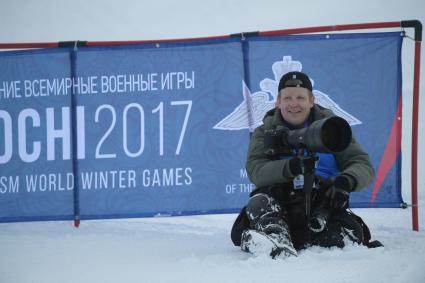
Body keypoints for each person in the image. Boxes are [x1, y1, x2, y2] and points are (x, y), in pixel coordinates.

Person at [231, 71, 381, 259]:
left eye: (300, 97)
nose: (294, 104)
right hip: (280, 201)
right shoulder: (265, 132)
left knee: (343, 235)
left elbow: (361, 163)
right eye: (287, 98)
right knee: (260, 202)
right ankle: (276, 237)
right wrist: (291, 168)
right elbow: (256, 171)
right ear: (278, 102)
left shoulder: (334, 129)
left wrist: (345, 182)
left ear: (312, 100)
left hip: (323, 204)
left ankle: (277, 240)